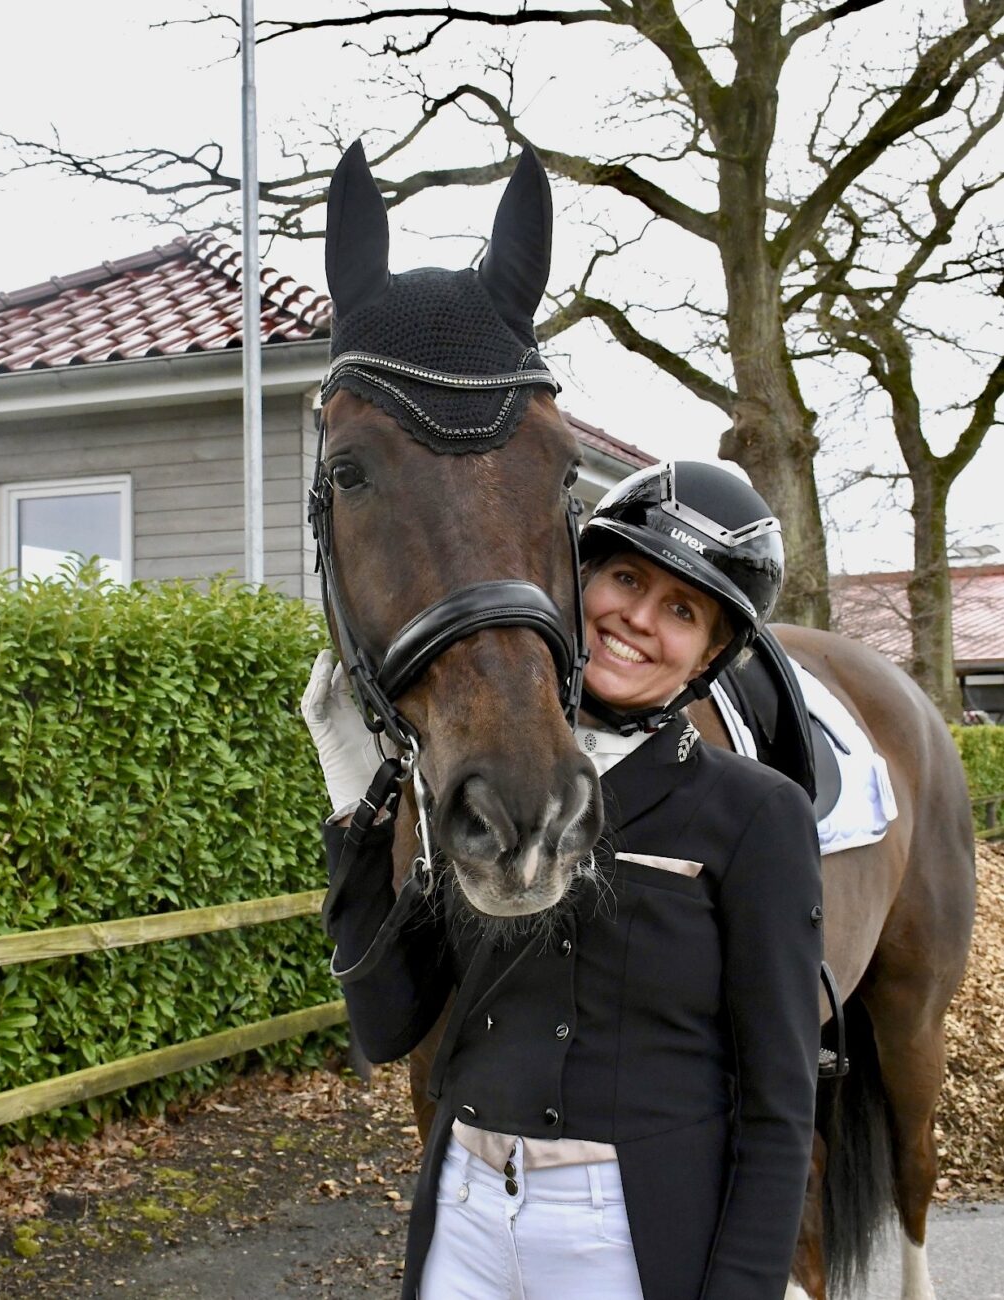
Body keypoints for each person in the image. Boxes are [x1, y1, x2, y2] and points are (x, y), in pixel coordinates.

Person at [302, 460, 823, 1300]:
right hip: (463, 1220)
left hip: (624, 1234)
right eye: (623, 578)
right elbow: (386, 1022)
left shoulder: (756, 815)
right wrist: (354, 810)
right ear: (573, 578)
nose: (636, 618)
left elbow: (777, 1105)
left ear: (709, 656)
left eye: (681, 611)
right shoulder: (478, 781)